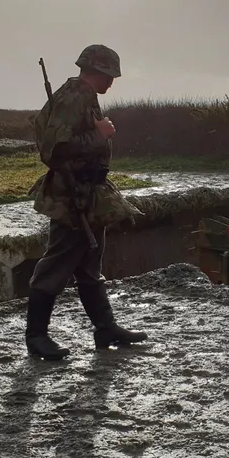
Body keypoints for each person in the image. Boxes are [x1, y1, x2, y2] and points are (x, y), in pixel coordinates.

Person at [24, 44, 148, 359]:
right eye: (111, 75)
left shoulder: (84, 97)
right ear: (100, 71)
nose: (113, 82)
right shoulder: (73, 98)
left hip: (89, 194)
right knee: (57, 263)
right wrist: (100, 135)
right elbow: (54, 149)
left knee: (90, 265)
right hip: (72, 196)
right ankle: (36, 337)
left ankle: (105, 328)